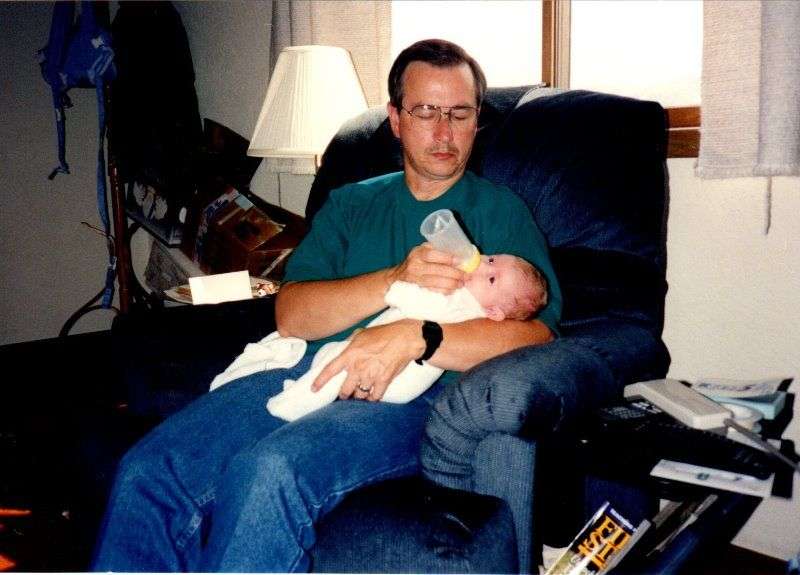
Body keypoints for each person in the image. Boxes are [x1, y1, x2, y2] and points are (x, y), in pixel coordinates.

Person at [91, 38, 562, 572]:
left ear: (478, 121)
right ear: (395, 120)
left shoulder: (501, 213)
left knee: (268, 471)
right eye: (425, 111)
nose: (443, 131)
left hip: (409, 398)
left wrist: (418, 335)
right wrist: (393, 279)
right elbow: (292, 314)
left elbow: (537, 336)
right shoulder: (352, 203)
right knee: (148, 470)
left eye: (460, 113)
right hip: (308, 369)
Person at [256, 255, 548, 421]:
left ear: (494, 312)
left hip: (399, 378)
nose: (482, 265)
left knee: (336, 365)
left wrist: (399, 287)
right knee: (331, 354)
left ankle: (296, 403)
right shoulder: (470, 297)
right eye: (491, 259)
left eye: (492, 278)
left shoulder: (465, 304)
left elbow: (421, 303)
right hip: (386, 366)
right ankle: (308, 388)